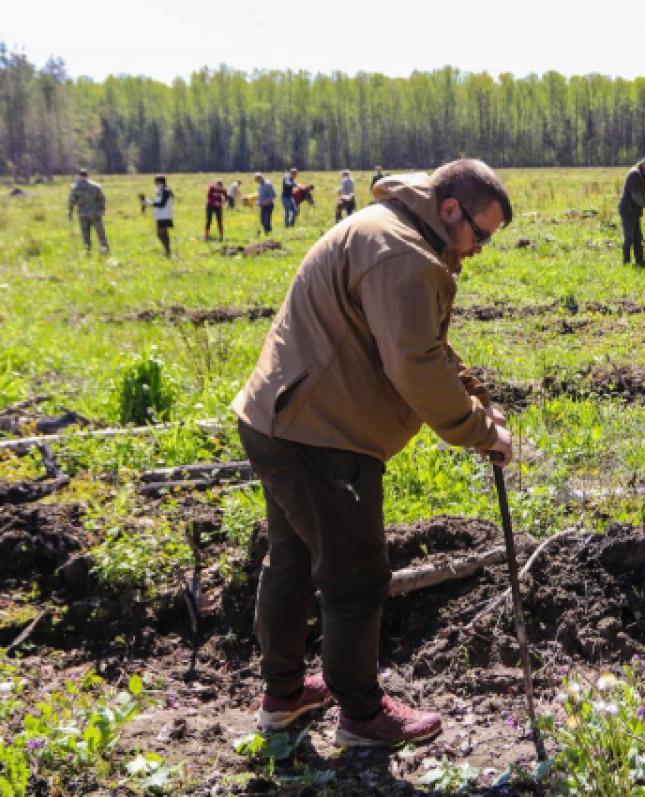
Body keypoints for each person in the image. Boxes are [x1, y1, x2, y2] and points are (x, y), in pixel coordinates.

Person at [232, 159, 514, 748]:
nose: (482, 248)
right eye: (480, 234)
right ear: (448, 209)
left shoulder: (392, 229)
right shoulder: (406, 255)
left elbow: (420, 340)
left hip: (279, 418)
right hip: (322, 434)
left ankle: (283, 696)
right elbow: (414, 364)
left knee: (290, 559)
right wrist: (478, 430)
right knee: (356, 575)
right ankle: (361, 715)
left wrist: (475, 397)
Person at [618, 155, 645, 268]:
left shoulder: (641, 173)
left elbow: (640, 194)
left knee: (638, 238)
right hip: (628, 210)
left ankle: (640, 263)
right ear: (644, 163)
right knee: (629, 238)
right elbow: (635, 195)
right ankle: (626, 263)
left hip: (634, 210)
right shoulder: (635, 174)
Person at [67, 168, 109, 254]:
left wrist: (70, 212)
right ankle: (105, 249)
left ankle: (88, 251)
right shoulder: (95, 186)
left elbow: (71, 201)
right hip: (95, 213)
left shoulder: (74, 187)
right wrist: (103, 209)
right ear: (88, 175)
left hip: (82, 214)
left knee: (85, 234)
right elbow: (102, 199)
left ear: (78, 175)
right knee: (100, 233)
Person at [141, 174, 175, 256]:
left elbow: (161, 204)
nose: (154, 183)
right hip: (163, 215)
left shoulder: (164, 190)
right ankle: (167, 250)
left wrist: (148, 203)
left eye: (155, 181)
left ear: (159, 182)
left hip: (164, 216)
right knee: (163, 233)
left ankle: (167, 249)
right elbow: (158, 202)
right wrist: (148, 201)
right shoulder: (163, 190)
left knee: (160, 234)